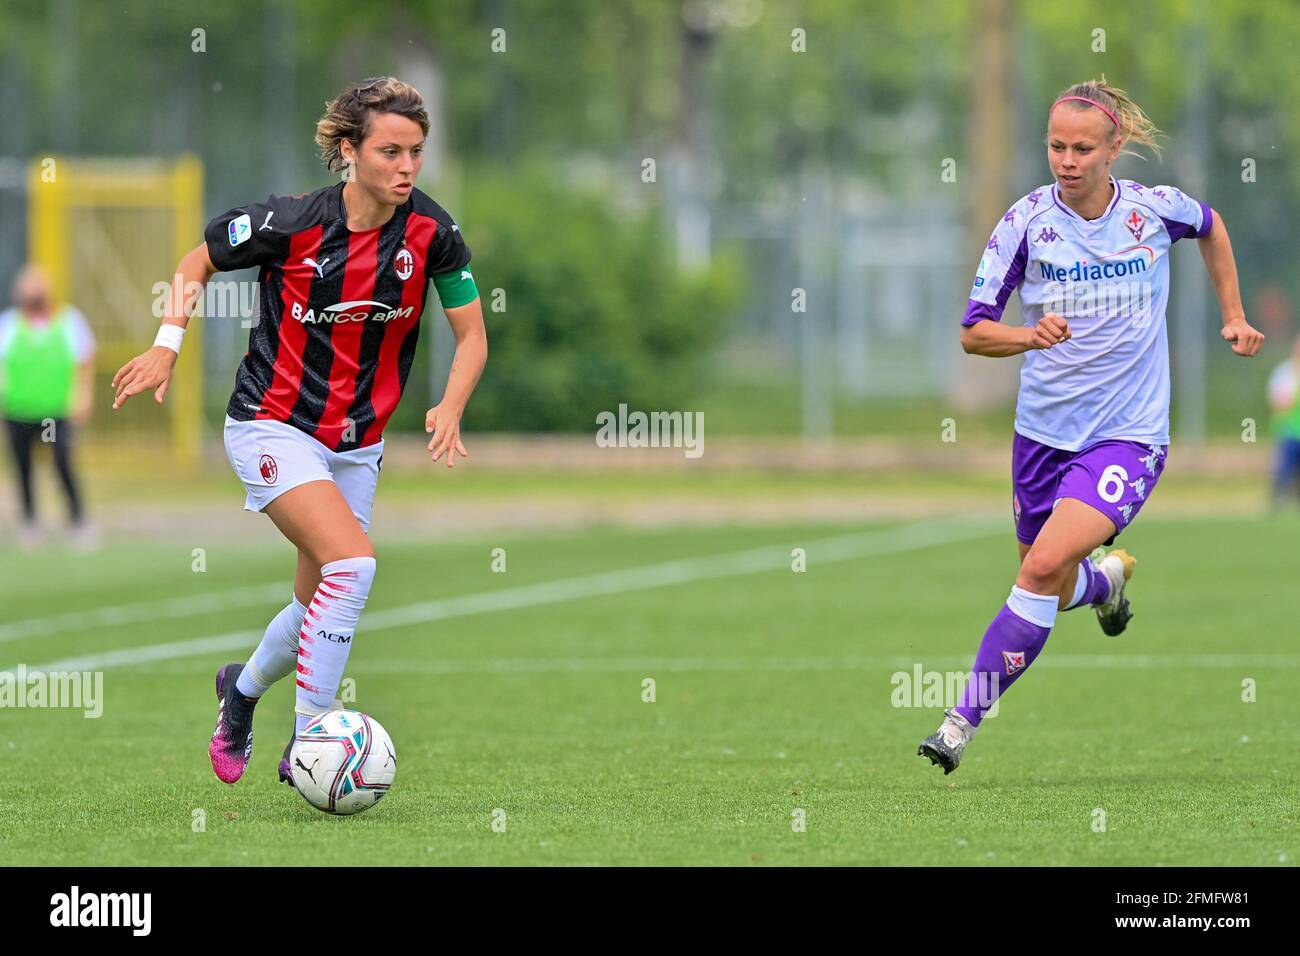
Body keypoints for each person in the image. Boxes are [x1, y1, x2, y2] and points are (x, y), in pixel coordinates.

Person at [110, 77, 488, 787]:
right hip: (270, 425)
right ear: (349, 151)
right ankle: (314, 741)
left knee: (315, 602)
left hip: (357, 445)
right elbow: (198, 261)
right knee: (353, 567)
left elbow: (472, 338)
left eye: (416, 152)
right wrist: (167, 342)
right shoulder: (289, 223)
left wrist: (451, 403)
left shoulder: (434, 235)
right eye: (389, 151)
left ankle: (240, 692)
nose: (406, 167)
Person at [918, 77, 1263, 774]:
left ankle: (961, 721)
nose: (1066, 160)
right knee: (1044, 575)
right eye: (1055, 146)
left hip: (1130, 436)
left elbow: (1212, 225)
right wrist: (1029, 337)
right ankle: (1105, 585)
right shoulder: (1024, 224)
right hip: (1042, 436)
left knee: (1043, 567)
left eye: (1082, 148)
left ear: (1115, 149)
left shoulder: (1154, 212)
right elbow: (973, 334)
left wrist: (1233, 312)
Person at [0, 264, 97, 549]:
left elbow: (84, 361)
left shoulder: (68, 321)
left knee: (62, 463)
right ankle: (30, 522)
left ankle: (78, 520)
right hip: (18, 410)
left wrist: (83, 396)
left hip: (56, 412)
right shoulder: (9, 324)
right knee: (22, 467)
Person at [1267, 335, 1300, 505]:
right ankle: (1279, 499)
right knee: (1284, 469)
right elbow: (1277, 402)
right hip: (1288, 433)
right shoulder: (1285, 373)